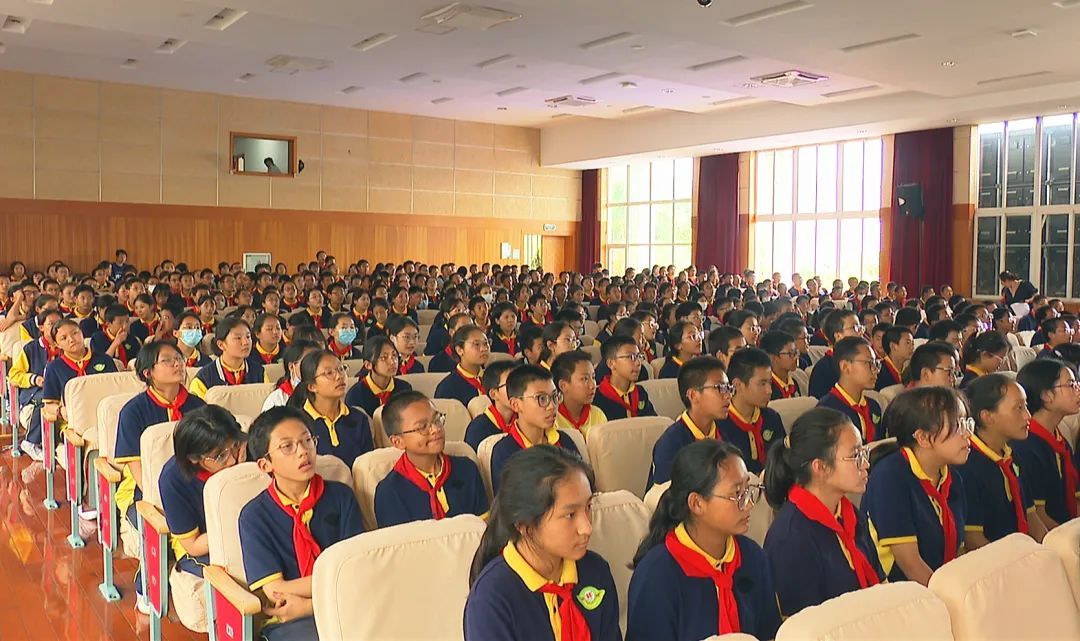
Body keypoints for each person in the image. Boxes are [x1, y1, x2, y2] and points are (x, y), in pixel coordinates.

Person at [628, 440, 781, 641]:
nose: (749, 503)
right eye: (737, 494)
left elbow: (769, 633)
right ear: (697, 503)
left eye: (748, 489)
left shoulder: (753, 557)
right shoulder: (656, 575)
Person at [464, 446, 621, 641]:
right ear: (525, 525)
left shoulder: (596, 571)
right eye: (570, 515)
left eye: (588, 507)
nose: (587, 527)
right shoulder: (491, 599)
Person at [239, 406, 364, 641]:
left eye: (307, 441)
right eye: (287, 446)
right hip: (290, 619)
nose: (303, 452)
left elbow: (356, 571)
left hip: (348, 603)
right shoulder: (254, 515)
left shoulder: (340, 496)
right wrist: (334, 585)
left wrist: (309, 605)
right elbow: (275, 591)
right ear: (265, 465)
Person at [762, 408, 882, 617]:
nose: (866, 464)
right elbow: (806, 627)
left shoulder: (848, 513)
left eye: (863, 453)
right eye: (855, 456)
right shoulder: (791, 537)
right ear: (820, 467)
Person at [861, 387, 971, 585]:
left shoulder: (951, 476)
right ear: (922, 438)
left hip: (941, 586)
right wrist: (950, 598)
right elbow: (909, 563)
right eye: (958, 426)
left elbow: (959, 550)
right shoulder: (890, 477)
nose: (968, 434)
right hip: (901, 594)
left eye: (967, 423)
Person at [374, 391, 488, 527]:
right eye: (422, 427)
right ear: (398, 441)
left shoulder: (467, 469)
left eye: (437, 419)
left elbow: (483, 527)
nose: (435, 429)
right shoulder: (389, 492)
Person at [959, 374, 1048, 548]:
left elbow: (1031, 516)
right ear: (988, 417)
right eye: (1018, 408)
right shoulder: (967, 465)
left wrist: (1047, 552)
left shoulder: (1011, 455)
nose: (1028, 416)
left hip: (1022, 554)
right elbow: (973, 539)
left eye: (1026, 406)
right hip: (995, 559)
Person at [159, 406, 246, 577]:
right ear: (194, 458)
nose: (232, 460)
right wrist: (236, 528)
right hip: (208, 547)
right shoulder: (173, 480)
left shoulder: (245, 453)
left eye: (235, 446)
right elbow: (193, 546)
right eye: (220, 456)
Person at [488, 365, 582, 494]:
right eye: (542, 399)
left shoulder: (564, 441)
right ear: (516, 405)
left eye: (555, 397)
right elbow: (510, 503)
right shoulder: (505, 452)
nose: (552, 406)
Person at [1013, 359, 1080, 528]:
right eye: (1071, 385)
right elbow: (1038, 516)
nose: (1077, 390)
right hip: (1052, 537)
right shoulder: (1027, 446)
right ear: (1046, 395)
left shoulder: (1058, 438)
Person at [650, 357, 734, 487]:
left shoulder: (727, 430)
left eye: (728, 388)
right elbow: (668, 495)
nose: (728, 395)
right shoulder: (670, 444)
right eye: (720, 388)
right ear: (693, 395)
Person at [288, 350, 374, 468]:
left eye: (341, 369)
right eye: (329, 373)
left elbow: (368, 466)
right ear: (312, 386)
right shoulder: (297, 424)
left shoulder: (359, 418)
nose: (339, 376)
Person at [716, 348, 786, 475]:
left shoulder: (771, 417)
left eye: (770, 383)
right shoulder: (720, 424)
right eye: (762, 384)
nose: (769, 391)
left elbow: (783, 461)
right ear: (737, 384)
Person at [10, 308, 63, 460]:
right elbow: (14, 375)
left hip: (61, 391)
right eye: (51, 324)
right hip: (35, 392)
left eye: (59, 324)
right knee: (46, 400)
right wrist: (34, 379)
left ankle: (57, 446)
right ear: (41, 327)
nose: (55, 328)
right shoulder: (31, 348)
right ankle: (30, 442)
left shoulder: (65, 347)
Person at [816, 337, 883, 443]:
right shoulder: (827, 410)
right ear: (845, 366)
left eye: (876, 363)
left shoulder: (873, 406)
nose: (876, 370)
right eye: (869, 363)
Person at [189, 317, 265, 398]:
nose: (246, 342)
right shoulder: (203, 379)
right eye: (238, 338)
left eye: (248, 336)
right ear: (221, 345)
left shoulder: (260, 372)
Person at [593, 336, 657, 420]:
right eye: (631, 357)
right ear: (611, 363)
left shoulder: (640, 392)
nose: (638, 363)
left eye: (639, 356)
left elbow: (653, 422)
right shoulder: (597, 398)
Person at [464, 360, 518, 452]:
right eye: (511, 384)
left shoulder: (525, 419)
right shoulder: (478, 429)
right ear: (493, 394)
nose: (518, 389)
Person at [808, 309, 863, 398]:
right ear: (838, 336)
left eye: (860, 327)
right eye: (854, 328)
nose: (860, 332)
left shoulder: (864, 360)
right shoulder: (824, 368)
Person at [552, 350, 608, 439]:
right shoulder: (553, 420)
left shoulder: (597, 415)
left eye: (593, 377)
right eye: (584, 379)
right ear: (563, 386)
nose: (592, 385)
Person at [434, 324, 491, 407]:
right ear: (460, 350)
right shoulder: (447, 387)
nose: (484, 349)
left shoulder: (495, 378)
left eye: (486, 343)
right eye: (476, 344)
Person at [263, 340, 322, 411]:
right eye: (308, 363)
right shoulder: (277, 400)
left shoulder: (326, 393)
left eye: (318, 363)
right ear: (291, 367)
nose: (314, 368)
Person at [760, 330, 800, 399]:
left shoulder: (794, 382)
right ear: (772, 358)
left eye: (796, 353)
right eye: (790, 354)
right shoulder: (767, 388)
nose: (796, 357)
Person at [876, 325, 915, 390]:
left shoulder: (911, 369)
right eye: (908, 343)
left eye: (912, 343)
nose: (912, 347)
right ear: (893, 346)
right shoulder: (879, 371)